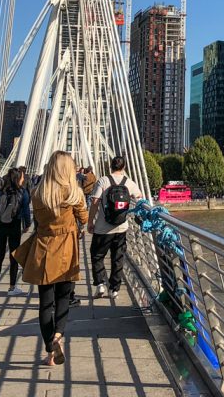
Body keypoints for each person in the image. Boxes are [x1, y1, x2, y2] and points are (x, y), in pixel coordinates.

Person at [13, 151, 87, 367]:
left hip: (43, 249)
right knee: (63, 299)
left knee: (45, 304)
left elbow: (38, 220)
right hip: (66, 250)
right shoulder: (73, 193)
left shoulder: (38, 193)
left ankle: (49, 349)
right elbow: (83, 217)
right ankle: (58, 336)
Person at [89, 156, 142, 302]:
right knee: (117, 258)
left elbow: (94, 202)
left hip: (102, 228)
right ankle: (114, 289)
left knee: (97, 255)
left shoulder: (103, 181)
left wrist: (90, 222)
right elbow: (139, 197)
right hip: (121, 227)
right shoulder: (129, 182)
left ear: (110, 166)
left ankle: (100, 284)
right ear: (124, 167)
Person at [0, 169, 31, 295]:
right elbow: (26, 210)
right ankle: (12, 287)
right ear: (18, 179)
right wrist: (27, 224)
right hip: (15, 225)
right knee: (14, 256)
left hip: (1, 227)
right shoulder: (22, 192)